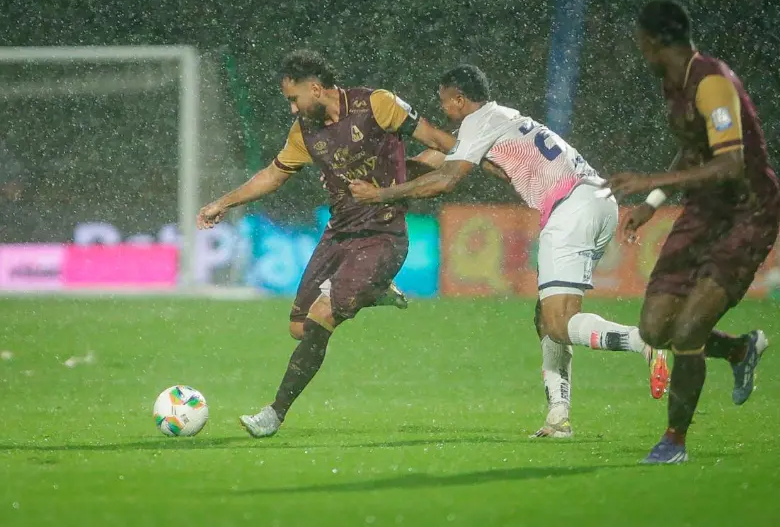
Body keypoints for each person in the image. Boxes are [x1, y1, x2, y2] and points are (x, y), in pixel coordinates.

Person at [350, 64, 669, 438]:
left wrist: (380, 195)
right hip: (598, 201)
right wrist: (386, 171)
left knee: (559, 322)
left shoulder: (479, 123)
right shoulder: (500, 119)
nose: (444, 110)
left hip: (571, 207)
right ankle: (558, 417)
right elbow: (439, 155)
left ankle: (643, 341)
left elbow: (446, 179)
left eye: (445, 102)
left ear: (459, 99)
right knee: (546, 317)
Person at [197, 49, 456, 437]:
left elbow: (438, 141)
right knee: (299, 328)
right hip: (339, 233)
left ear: (316, 89)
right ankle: (374, 291)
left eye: (293, 98)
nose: (291, 108)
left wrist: (478, 158)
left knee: (321, 319)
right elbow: (273, 175)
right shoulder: (304, 131)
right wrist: (223, 202)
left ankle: (274, 414)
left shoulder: (377, 105)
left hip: (383, 235)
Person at [604, 0, 778, 463]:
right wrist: (652, 202)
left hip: (748, 212)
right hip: (703, 211)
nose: (637, 48)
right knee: (655, 328)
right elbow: (693, 151)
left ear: (656, 40)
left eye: (640, 39)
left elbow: (730, 162)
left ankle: (674, 441)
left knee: (689, 329)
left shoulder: (713, 83)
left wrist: (652, 181)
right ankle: (741, 350)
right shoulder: (673, 83)